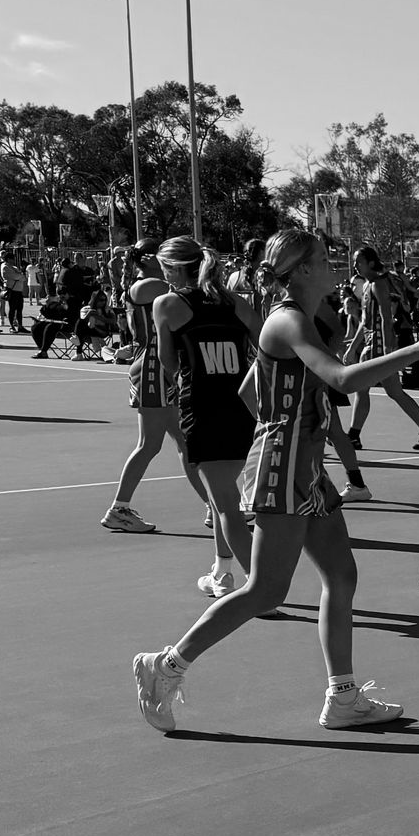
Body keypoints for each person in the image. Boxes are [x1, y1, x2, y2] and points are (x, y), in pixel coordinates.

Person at [130, 229, 419, 734]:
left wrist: (288, 429)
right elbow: (342, 379)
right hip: (285, 471)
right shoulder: (288, 319)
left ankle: (343, 696)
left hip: (302, 468)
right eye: (325, 258)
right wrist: (418, 349)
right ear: (301, 269)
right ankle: (165, 666)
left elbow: (248, 389)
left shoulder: (297, 320)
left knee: (341, 576)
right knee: (267, 591)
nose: (335, 264)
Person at [151, 236, 260, 598]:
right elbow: (265, 349)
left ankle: (259, 589)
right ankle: (222, 573)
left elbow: (168, 362)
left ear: (172, 268)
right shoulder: (236, 304)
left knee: (227, 508)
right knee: (221, 499)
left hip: (202, 408)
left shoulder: (167, 304)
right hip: (241, 408)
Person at [100, 239, 208, 533]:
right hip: (153, 367)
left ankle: (213, 506)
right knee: (149, 445)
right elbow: (185, 294)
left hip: (162, 365)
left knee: (185, 443)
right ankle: (119, 508)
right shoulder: (146, 285)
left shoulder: (154, 283)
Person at [345, 246, 419, 452]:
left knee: (371, 388)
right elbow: (364, 321)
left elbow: (386, 318)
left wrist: (387, 351)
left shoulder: (378, 284)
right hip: (370, 343)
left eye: (359, 261)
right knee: (386, 391)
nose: (356, 265)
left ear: (371, 263)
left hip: (377, 346)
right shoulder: (367, 285)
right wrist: (352, 347)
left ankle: (354, 435)